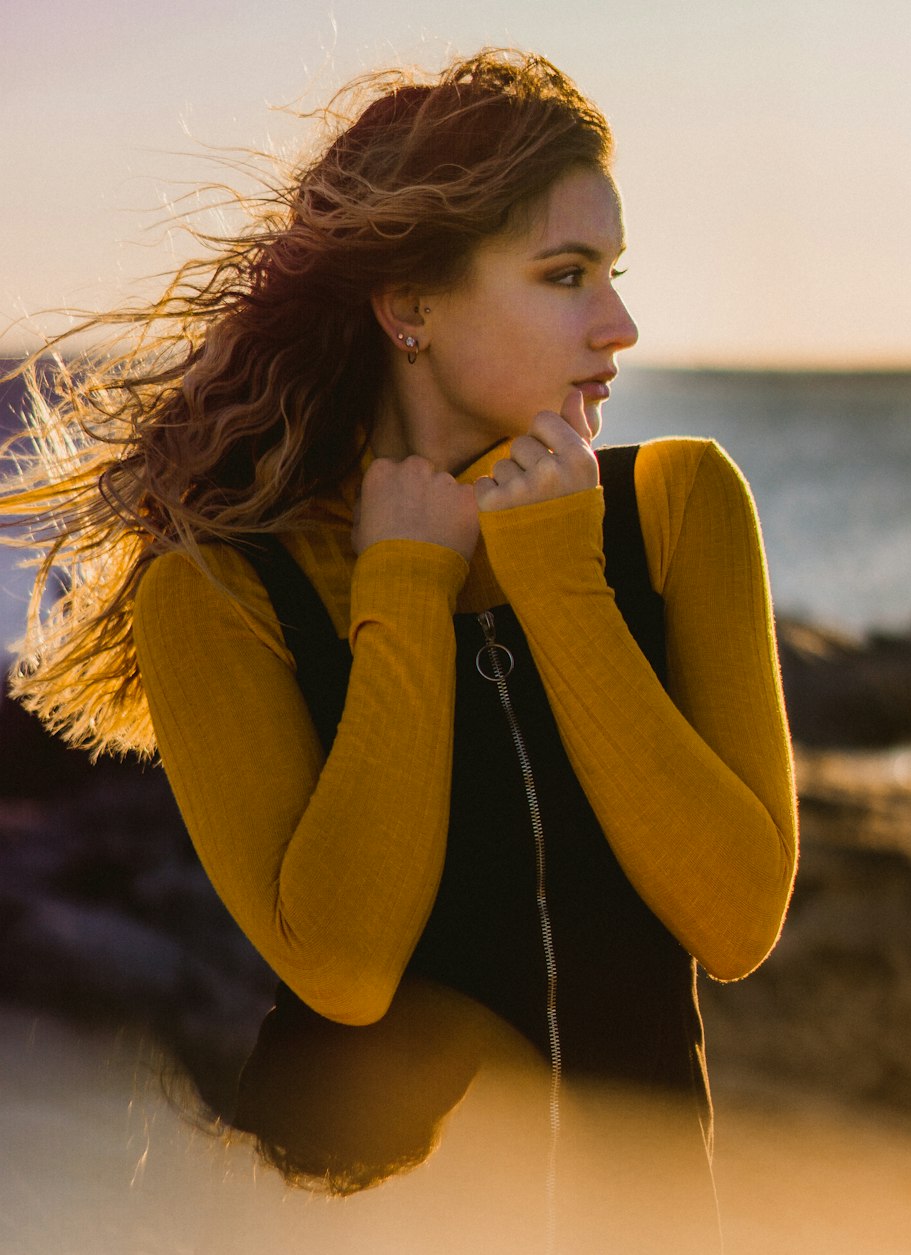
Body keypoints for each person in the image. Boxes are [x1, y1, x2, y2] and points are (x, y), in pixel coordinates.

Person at [2, 48, 797, 1233]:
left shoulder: (679, 512)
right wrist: (406, 587)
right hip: (342, 1219)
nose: (620, 324)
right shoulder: (218, 591)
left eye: (615, 273)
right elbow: (347, 966)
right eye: (567, 274)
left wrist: (562, 585)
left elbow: (736, 923)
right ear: (409, 304)